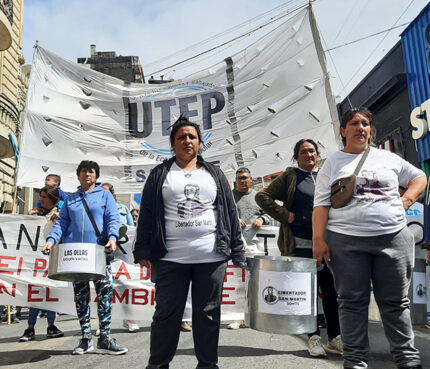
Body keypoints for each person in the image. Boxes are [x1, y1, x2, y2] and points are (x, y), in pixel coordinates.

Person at [313, 108, 426, 369]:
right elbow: (321, 205)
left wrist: (406, 199)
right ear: (343, 131)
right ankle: (355, 360)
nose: (360, 128)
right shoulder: (332, 163)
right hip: (346, 242)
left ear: (370, 130)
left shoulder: (388, 158)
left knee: (396, 302)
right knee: (351, 302)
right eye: (354, 123)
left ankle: (407, 358)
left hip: (393, 238)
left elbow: (420, 177)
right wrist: (318, 239)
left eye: (365, 123)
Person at [133, 116, 247, 369]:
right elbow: (147, 212)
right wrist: (142, 248)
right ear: (173, 144)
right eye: (181, 137)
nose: (187, 141)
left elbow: (230, 213)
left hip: (211, 258)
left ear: (199, 143)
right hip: (170, 258)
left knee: (207, 315)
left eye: (192, 137)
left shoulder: (214, 174)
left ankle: (208, 365)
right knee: (166, 316)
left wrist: (237, 248)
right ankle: (158, 365)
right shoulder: (160, 174)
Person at [257, 139, 342, 357]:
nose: (309, 155)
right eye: (303, 152)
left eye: (312, 151)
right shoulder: (290, 176)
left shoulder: (326, 175)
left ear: (317, 154)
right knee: (308, 294)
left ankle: (335, 338)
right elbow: (262, 196)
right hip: (301, 245)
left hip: (328, 244)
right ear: (296, 157)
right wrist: (285, 215)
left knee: (331, 292)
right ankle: (313, 338)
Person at [42, 160, 127, 355]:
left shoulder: (105, 195)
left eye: (91, 171)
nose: (87, 174)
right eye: (83, 171)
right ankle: (86, 338)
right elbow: (62, 222)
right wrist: (51, 240)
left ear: (96, 176)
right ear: (78, 174)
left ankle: (104, 337)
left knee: (104, 294)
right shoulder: (71, 199)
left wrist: (112, 238)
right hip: (75, 255)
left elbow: (112, 218)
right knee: (81, 297)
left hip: (98, 252)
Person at [20, 186, 64, 342]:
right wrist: (28, 218)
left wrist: (59, 217)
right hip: (35, 261)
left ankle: (51, 325)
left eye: (45, 197)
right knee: (36, 293)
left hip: (52, 260)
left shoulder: (60, 215)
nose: (41, 199)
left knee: (50, 293)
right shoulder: (36, 214)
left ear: (53, 199)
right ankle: (30, 328)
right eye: (41, 196)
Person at [228, 167, 270, 330]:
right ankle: (239, 316)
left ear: (251, 179)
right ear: (236, 180)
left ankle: (259, 316)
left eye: (245, 177)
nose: (242, 180)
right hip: (237, 247)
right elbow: (222, 214)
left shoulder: (259, 197)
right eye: (239, 178)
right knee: (238, 282)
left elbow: (269, 213)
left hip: (258, 247)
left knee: (259, 281)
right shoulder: (229, 197)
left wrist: (261, 219)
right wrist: (235, 220)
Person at [101, 182, 139, 333]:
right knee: (103, 287)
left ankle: (129, 318)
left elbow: (132, 230)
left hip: (121, 253)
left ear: (112, 194)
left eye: (107, 192)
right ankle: (104, 323)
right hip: (104, 252)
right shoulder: (95, 209)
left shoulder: (123, 209)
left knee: (124, 285)